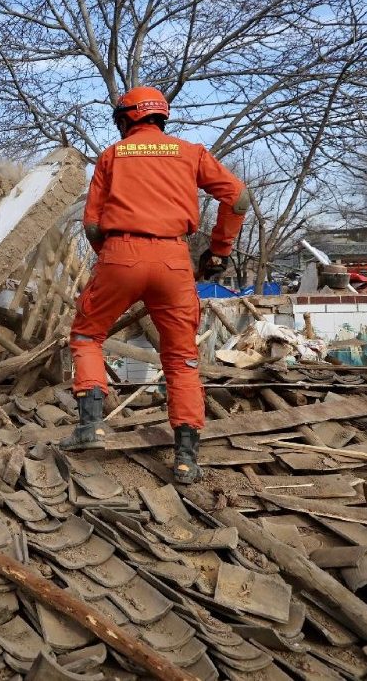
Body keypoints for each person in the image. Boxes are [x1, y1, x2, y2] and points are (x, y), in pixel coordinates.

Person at [63, 87, 249, 485]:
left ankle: (91, 428)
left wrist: (112, 257)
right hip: (174, 259)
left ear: (127, 118)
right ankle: (185, 459)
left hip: (121, 252)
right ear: (160, 117)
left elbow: (93, 224)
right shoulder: (190, 152)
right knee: (181, 357)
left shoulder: (113, 155)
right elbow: (237, 198)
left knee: (86, 334)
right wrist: (218, 251)